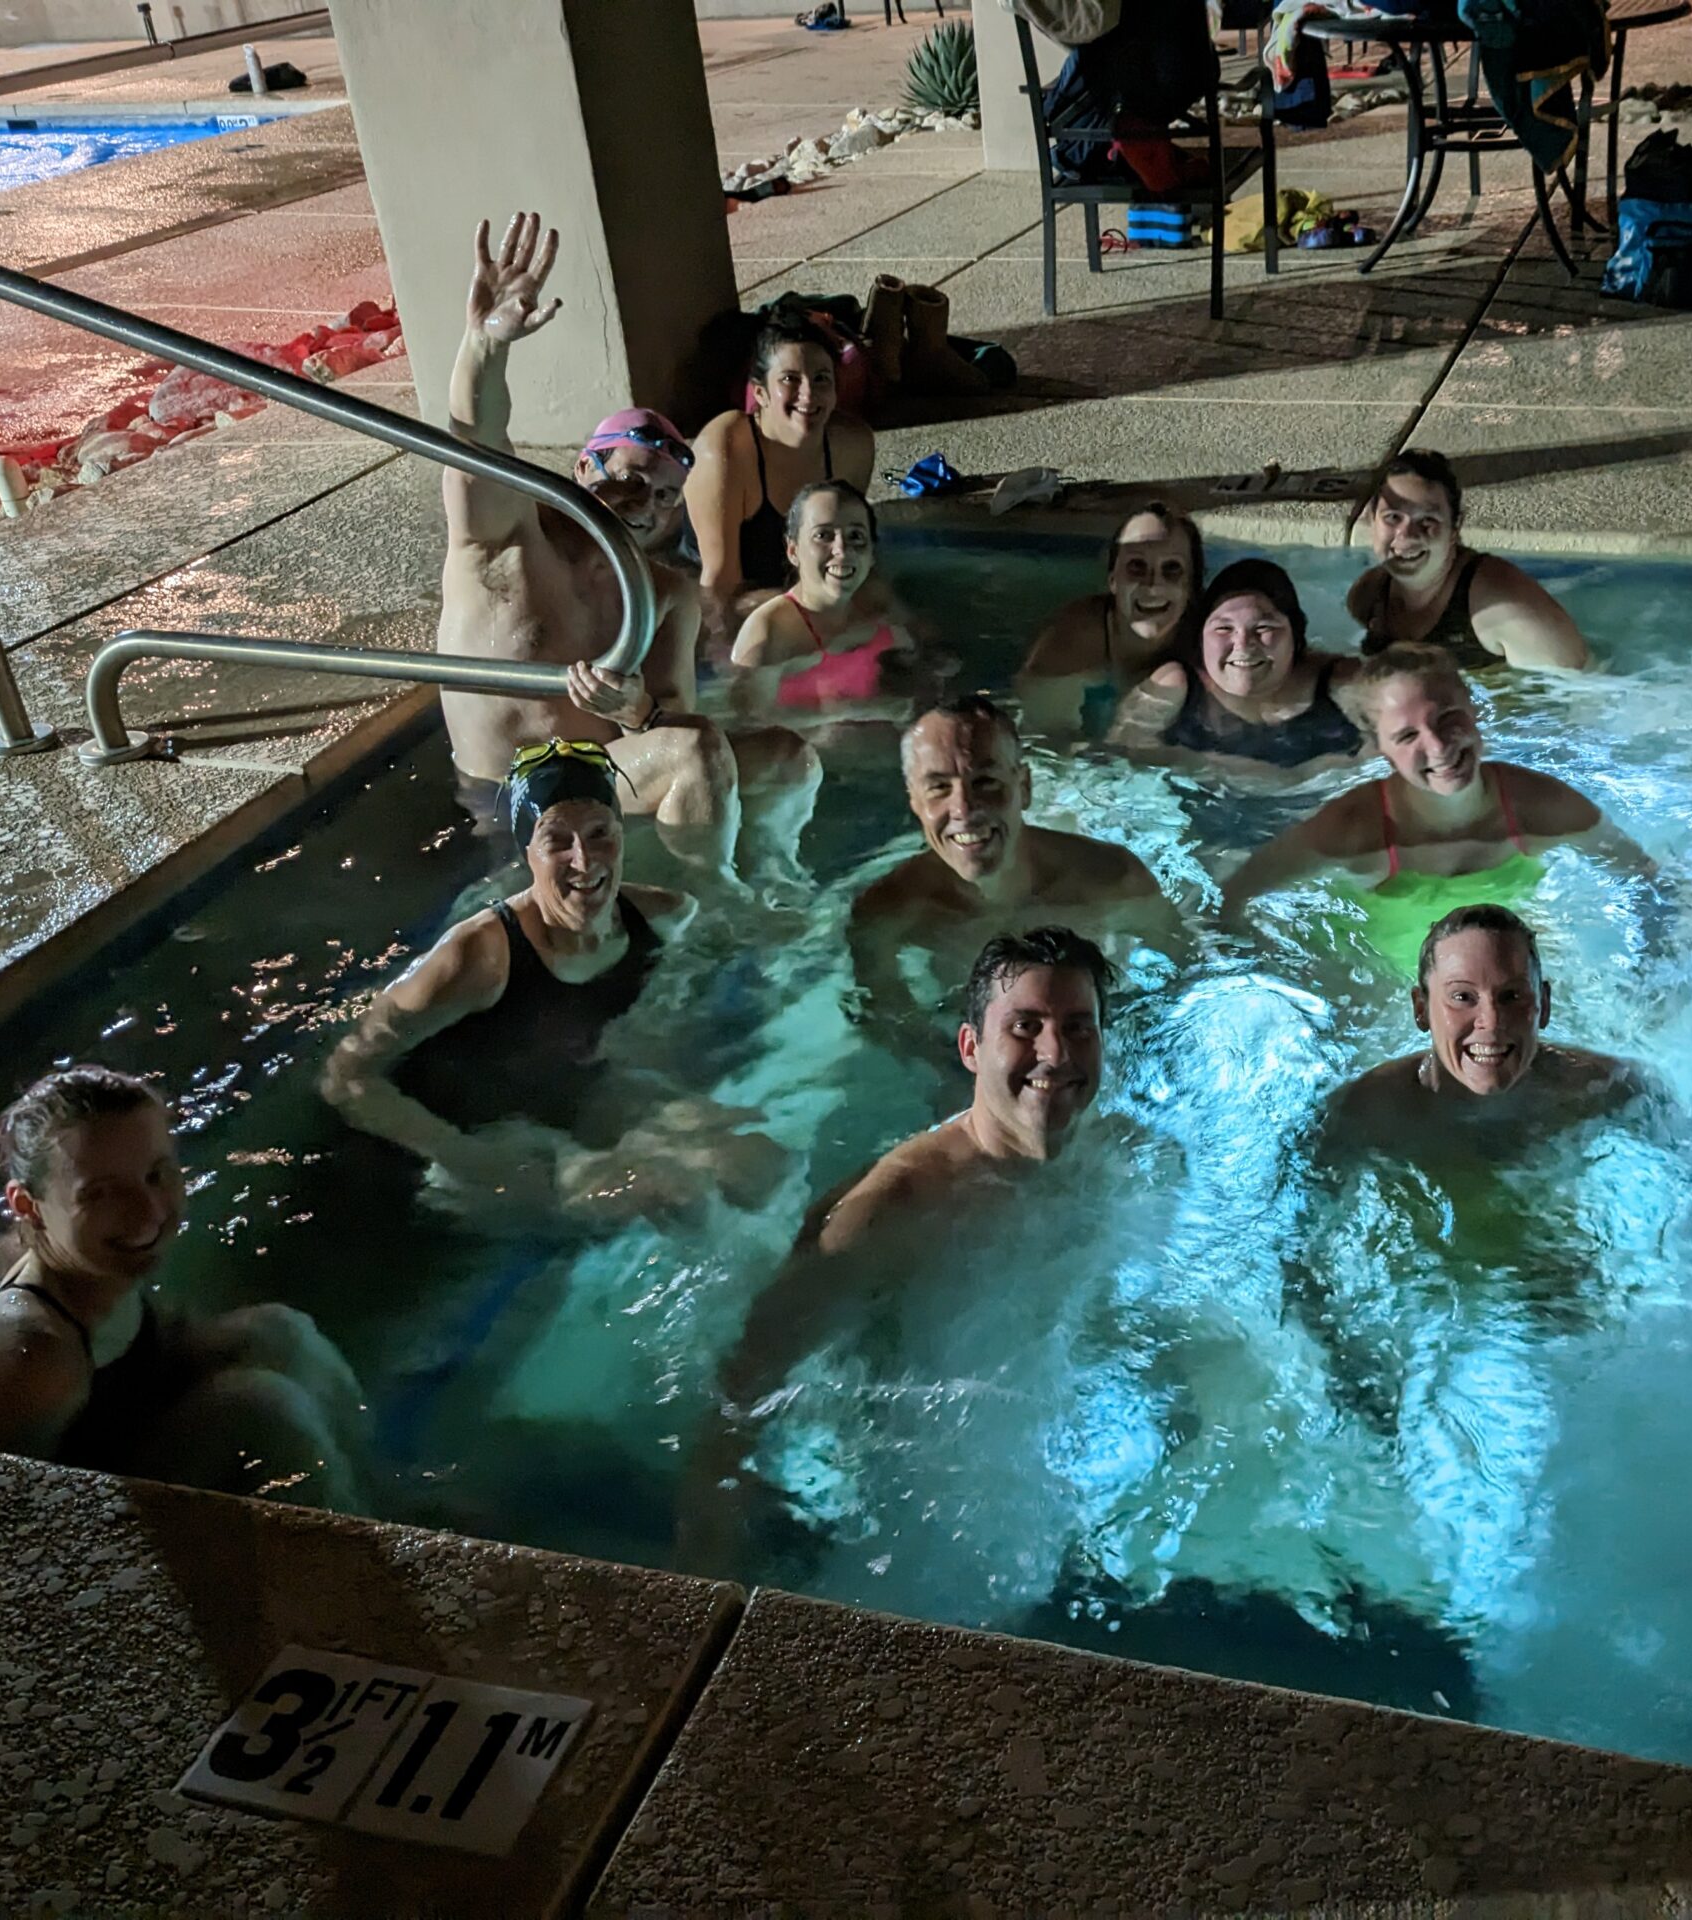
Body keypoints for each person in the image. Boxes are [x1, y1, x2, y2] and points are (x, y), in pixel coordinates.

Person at [679, 928, 1113, 1569]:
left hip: (1042, 1467)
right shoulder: (890, 1211)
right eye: (1025, 1027)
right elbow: (744, 1390)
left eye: (1079, 1028)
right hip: (899, 1498)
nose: (1056, 1052)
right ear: (970, 1048)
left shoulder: (1122, 1160)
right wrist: (711, 1552)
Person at [438, 212, 817, 876]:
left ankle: (776, 879)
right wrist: (485, 345)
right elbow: (476, 440)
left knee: (789, 756)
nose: (648, 505)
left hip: (603, 778)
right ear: (584, 468)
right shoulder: (507, 537)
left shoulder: (663, 594)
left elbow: (672, 716)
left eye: (668, 496)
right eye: (632, 479)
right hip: (510, 795)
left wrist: (634, 708)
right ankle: (713, 905)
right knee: (695, 754)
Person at [322, 740, 782, 1224]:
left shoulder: (663, 917)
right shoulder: (478, 956)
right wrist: (468, 1159)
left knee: (757, 1162)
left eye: (599, 833)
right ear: (528, 853)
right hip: (475, 1130)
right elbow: (346, 1077)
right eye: (557, 841)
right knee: (665, 1194)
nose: (584, 860)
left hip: (576, 1095)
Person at [0, 1067, 368, 1508]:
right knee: (264, 1409)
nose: (148, 1212)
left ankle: (372, 1496)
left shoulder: (71, 1254)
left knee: (281, 1333)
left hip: (119, 1425)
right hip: (91, 1513)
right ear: (27, 1205)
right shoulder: (32, 1358)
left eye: (156, 1174)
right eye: (100, 1193)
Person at [1221, 647, 1651, 962]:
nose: (1439, 746)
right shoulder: (1354, 828)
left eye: (1447, 717)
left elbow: (1643, 875)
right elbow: (1235, 895)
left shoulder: (1539, 805)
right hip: (1391, 978)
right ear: (1380, 749)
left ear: (1473, 708)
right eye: (1408, 736)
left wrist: (1652, 961)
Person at [851, 700, 1172, 1019]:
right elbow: (887, 1020)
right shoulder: (886, 914)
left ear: (1025, 787)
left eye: (985, 782)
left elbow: (1185, 974)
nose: (963, 809)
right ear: (915, 803)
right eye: (938, 787)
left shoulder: (1115, 880)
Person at [1324, 906, 1648, 1160]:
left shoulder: (1605, 1090)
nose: (1491, 1022)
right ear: (1421, 1009)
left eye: (1512, 996)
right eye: (1463, 997)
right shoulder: (1366, 1112)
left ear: (1545, 1005)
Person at [683, 312, 878, 624]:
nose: (808, 394)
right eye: (790, 379)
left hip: (804, 590)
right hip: (725, 595)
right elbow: (719, 589)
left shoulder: (852, 445)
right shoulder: (726, 449)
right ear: (760, 393)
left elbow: (852, 552)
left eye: (821, 378)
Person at [1108, 558, 1363, 778]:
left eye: (1263, 627)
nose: (1242, 644)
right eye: (1224, 628)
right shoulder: (1176, 685)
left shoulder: (1339, 681)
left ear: (1295, 636)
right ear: (1201, 638)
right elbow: (1115, 760)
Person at [1345, 452, 1590, 670]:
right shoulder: (1369, 596)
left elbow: (1580, 690)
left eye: (1428, 520)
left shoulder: (1505, 607)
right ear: (1371, 519)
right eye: (1392, 517)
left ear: (1455, 527)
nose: (1407, 535)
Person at [727, 481, 919, 721]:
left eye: (856, 536)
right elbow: (753, 723)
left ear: (872, 554)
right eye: (823, 535)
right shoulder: (769, 632)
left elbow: (925, 648)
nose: (842, 550)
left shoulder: (877, 601)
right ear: (793, 551)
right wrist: (863, 710)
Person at [1017, 504, 1205, 735]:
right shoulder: (1074, 638)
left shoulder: (1209, 641)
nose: (1153, 585)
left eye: (1172, 568)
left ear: (1191, 586)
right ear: (1113, 580)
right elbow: (1043, 737)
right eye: (1137, 566)